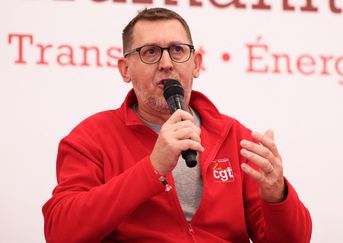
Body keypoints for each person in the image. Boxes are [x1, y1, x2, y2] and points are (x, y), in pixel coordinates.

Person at [42, 7, 312, 243]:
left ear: (196, 64)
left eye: (177, 50)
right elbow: (61, 232)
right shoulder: (91, 138)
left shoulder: (234, 137)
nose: (167, 64)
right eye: (150, 52)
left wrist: (278, 195)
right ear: (125, 69)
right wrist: (152, 168)